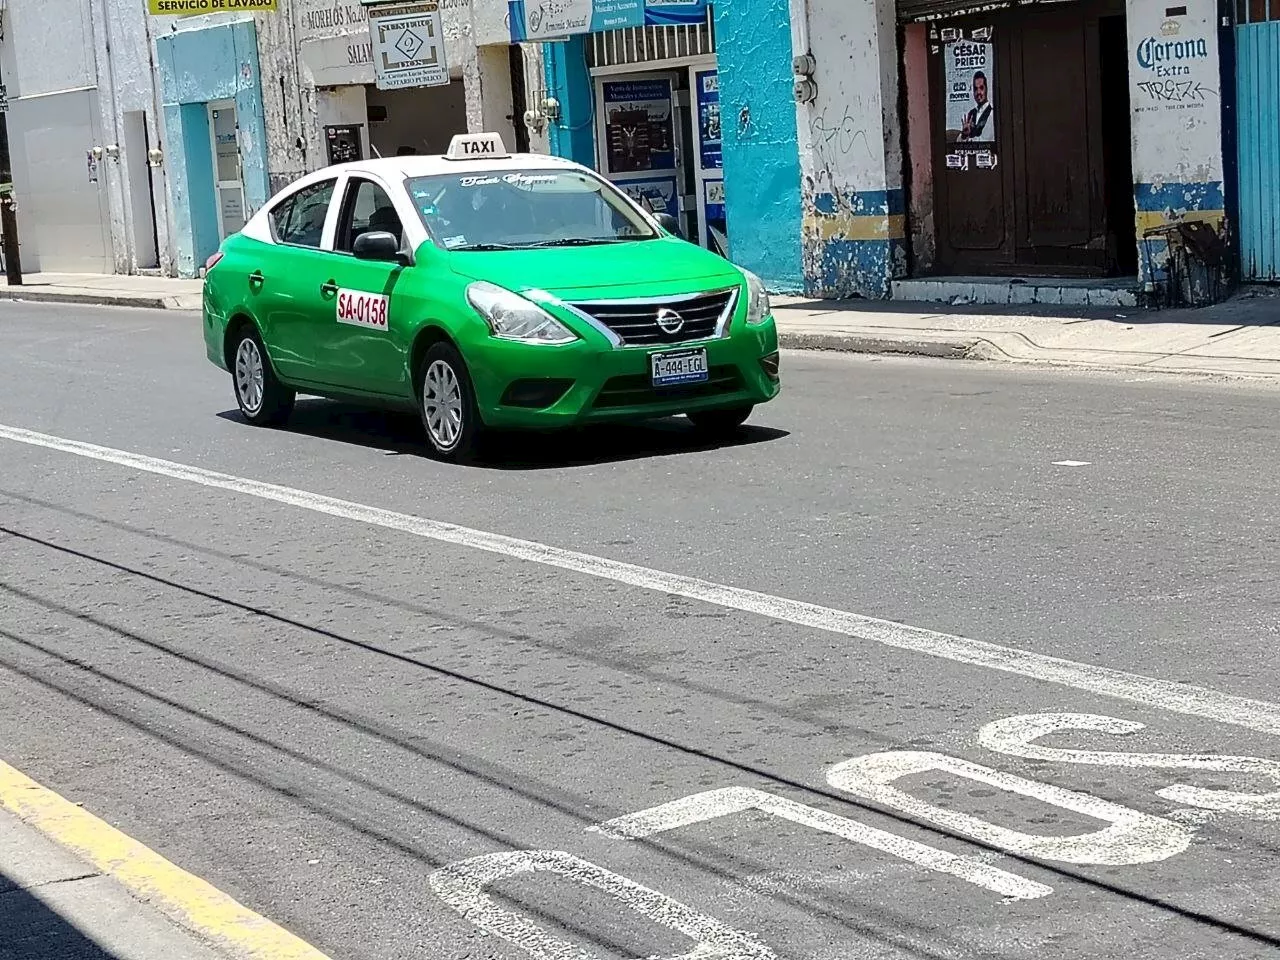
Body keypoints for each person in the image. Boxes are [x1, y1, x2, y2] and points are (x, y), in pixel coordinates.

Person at [960, 71, 993, 141]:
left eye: (981, 88)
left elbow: (985, 140)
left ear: (986, 89)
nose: (978, 92)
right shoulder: (971, 113)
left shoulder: (992, 114)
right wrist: (964, 135)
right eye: (975, 89)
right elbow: (959, 142)